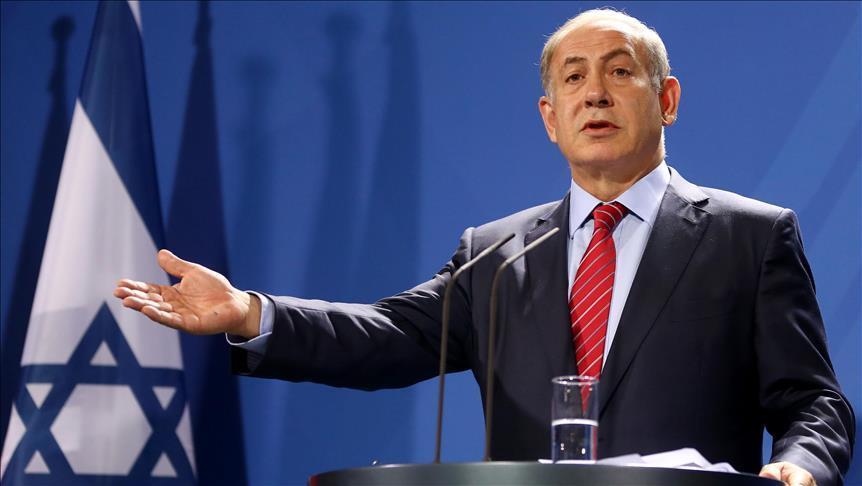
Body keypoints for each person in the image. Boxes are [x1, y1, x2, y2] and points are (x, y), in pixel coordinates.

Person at [114, 9, 854, 486]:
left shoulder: (750, 236)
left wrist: (799, 469)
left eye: (620, 71)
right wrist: (249, 312)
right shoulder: (497, 255)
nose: (595, 93)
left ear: (667, 100)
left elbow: (813, 402)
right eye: (574, 78)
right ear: (550, 118)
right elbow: (389, 336)